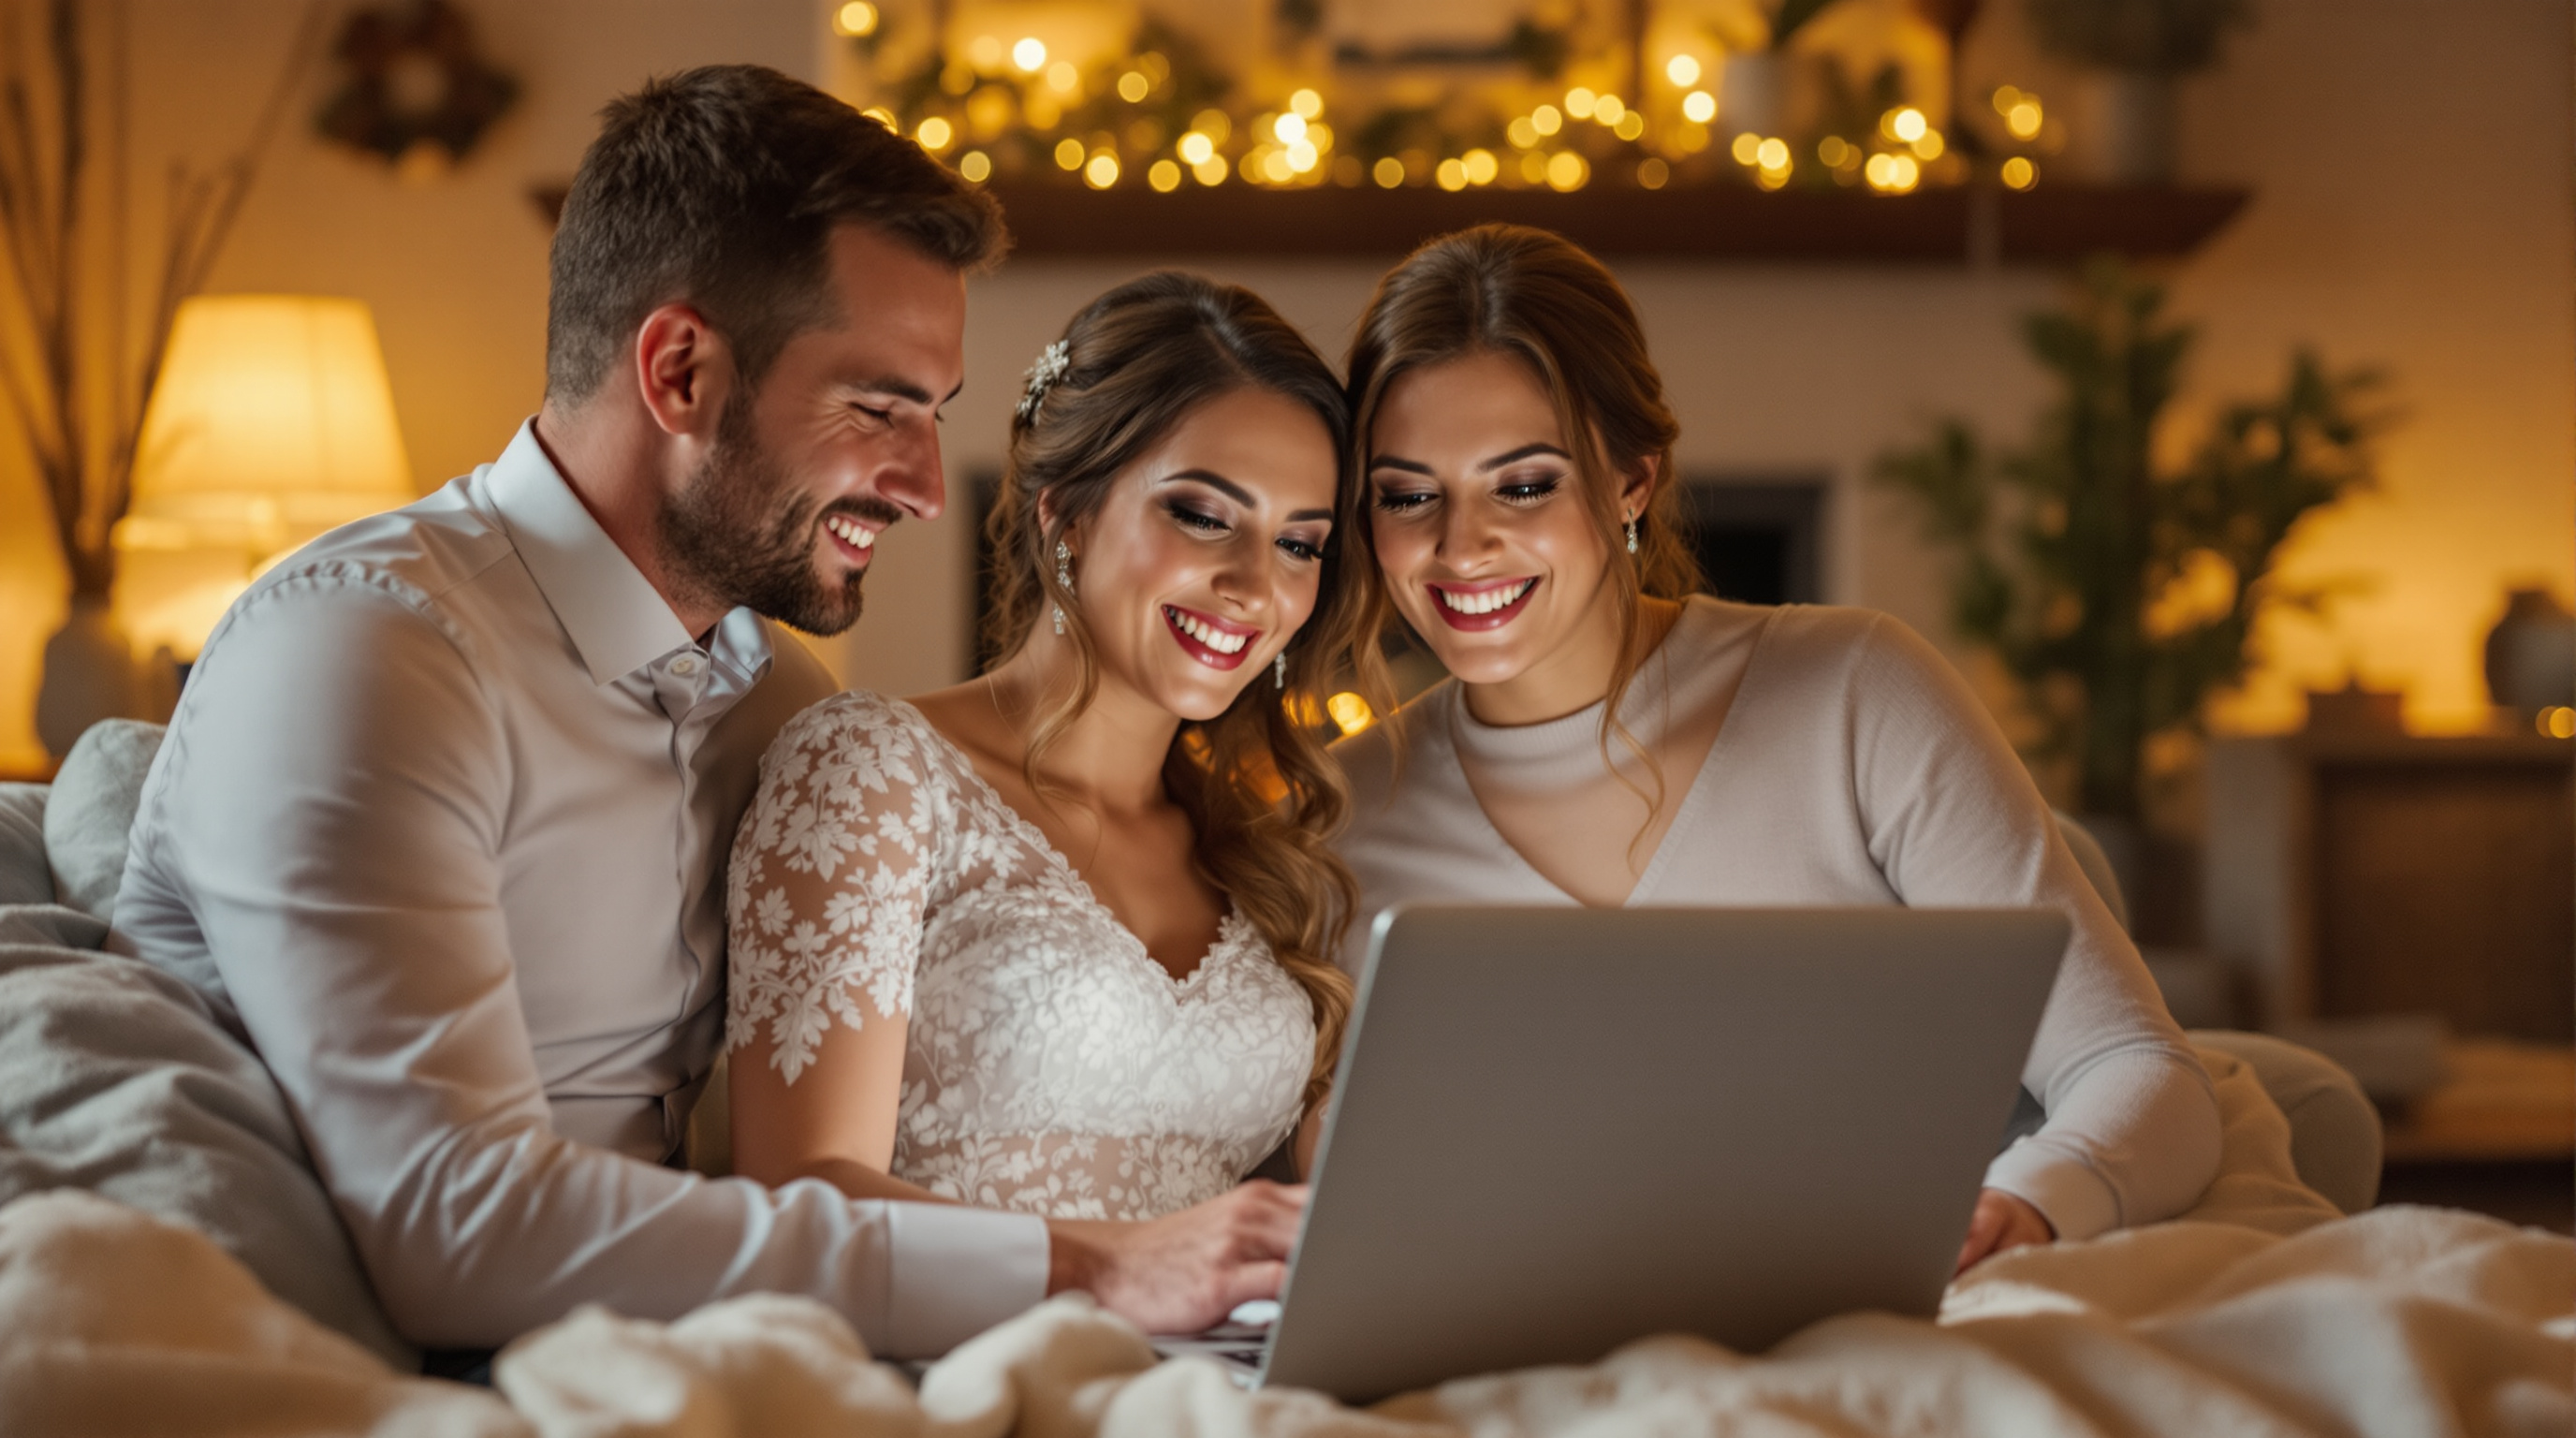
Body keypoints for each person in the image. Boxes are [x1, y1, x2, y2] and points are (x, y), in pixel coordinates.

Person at [109, 65, 1261, 1365]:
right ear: (680, 372)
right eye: (880, 408)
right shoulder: (369, 652)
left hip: (674, 1353)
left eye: (934, 421)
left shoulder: (777, 701)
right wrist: (1086, 1268)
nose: (929, 489)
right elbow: (454, 1226)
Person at [1328, 225, 2222, 1273]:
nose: (1458, 543)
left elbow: (2137, 1068)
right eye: (1406, 494)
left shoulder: (1853, 690)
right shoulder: (1344, 810)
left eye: (1522, 484)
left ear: (1630, 483)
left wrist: (2021, 1211)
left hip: (1908, 1310)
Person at [724, 272, 1365, 1332]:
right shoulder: (876, 770)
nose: (1257, 585)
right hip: (948, 1374)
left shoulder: (1255, 842)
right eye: (1203, 516)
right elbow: (800, 1204)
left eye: (1300, 542)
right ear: (1062, 511)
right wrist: (1117, 1267)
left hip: (1221, 1390)